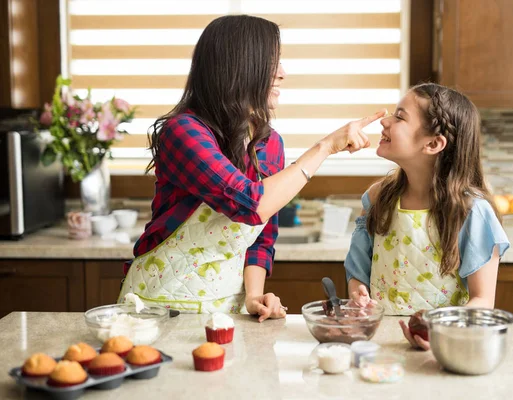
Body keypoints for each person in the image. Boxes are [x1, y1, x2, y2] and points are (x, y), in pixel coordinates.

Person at [118, 15, 385, 322]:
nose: (282, 74)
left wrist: (254, 296)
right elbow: (251, 204)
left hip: (225, 314)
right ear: (239, 67)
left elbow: (261, 234)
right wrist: (325, 147)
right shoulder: (183, 132)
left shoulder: (268, 143)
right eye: (273, 63)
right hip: (157, 308)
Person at [344, 83, 510, 348]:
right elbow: (358, 271)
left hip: (443, 345)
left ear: (433, 143)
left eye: (399, 117)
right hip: (378, 342)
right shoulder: (377, 198)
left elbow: (482, 302)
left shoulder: (472, 212)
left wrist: (436, 330)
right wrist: (358, 294)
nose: (385, 122)